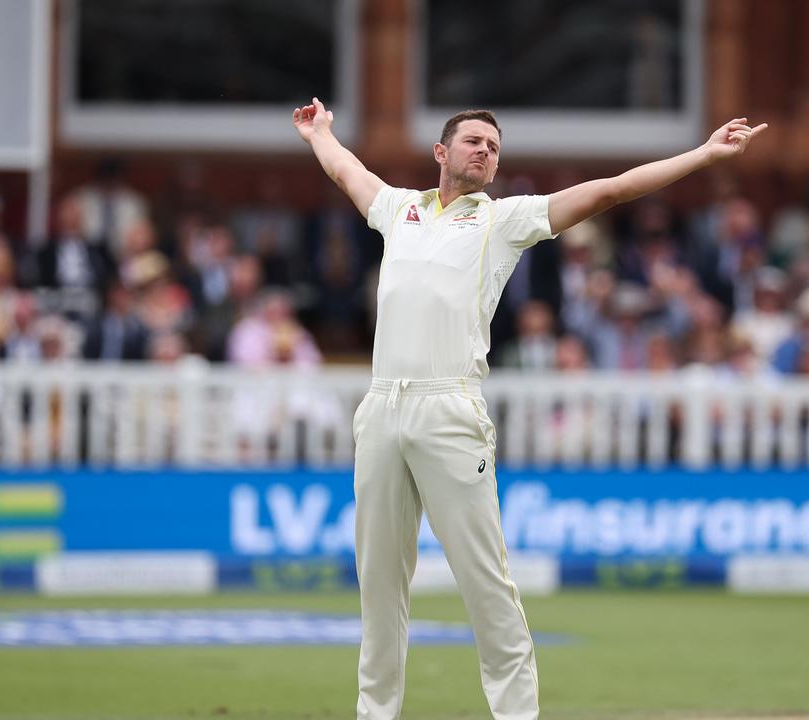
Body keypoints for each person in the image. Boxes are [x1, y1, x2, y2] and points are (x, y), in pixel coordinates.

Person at [293, 96, 765, 720]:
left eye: (493, 147)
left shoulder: (504, 219)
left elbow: (609, 191)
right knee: (379, 586)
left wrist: (705, 154)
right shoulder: (398, 208)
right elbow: (347, 172)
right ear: (441, 152)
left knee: (486, 583)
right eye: (473, 142)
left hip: (449, 409)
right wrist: (320, 133)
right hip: (382, 408)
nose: (485, 152)